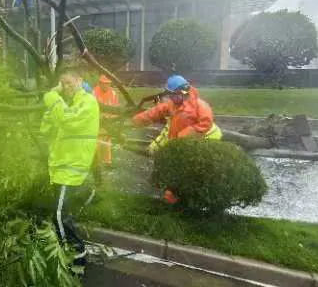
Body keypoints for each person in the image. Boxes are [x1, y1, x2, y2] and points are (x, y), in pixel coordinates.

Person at [131, 75, 222, 203]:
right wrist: (136, 120)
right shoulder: (173, 105)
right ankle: (174, 201)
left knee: (187, 175)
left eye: (172, 94)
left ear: (182, 92)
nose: (170, 97)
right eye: (169, 94)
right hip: (180, 145)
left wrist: (182, 137)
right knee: (174, 176)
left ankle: (184, 201)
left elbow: (204, 125)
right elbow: (156, 111)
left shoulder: (200, 106)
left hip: (200, 143)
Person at [41, 72, 100, 267]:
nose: (66, 87)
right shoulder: (67, 105)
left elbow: (68, 121)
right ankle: (90, 193)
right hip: (60, 168)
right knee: (62, 212)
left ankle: (78, 256)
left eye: (70, 82)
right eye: (62, 83)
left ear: (80, 80)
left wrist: (52, 96)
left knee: (58, 215)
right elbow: (45, 130)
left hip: (72, 168)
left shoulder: (88, 102)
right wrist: (52, 107)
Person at [93, 75, 120, 166]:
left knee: (107, 140)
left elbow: (116, 108)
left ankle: (107, 161)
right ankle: (96, 161)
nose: (106, 86)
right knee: (98, 141)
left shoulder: (113, 93)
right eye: (104, 84)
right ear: (100, 83)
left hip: (110, 121)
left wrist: (114, 119)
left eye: (108, 84)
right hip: (98, 121)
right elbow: (93, 108)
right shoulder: (94, 93)